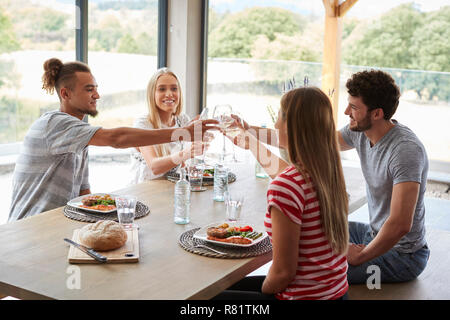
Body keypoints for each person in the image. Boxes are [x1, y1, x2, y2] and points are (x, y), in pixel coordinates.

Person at [8, 58, 217, 222]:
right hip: (31, 226)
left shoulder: (80, 136)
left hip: (59, 223)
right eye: (89, 89)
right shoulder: (55, 124)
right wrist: (181, 133)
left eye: (96, 88)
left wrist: (109, 215)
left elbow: (84, 193)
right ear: (65, 94)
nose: (97, 95)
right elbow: (117, 138)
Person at [214, 87, 349, 300]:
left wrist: (265, 293)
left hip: (301, 297)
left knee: (202, 299)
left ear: (294, 127)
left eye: (279, 117)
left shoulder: (286, 186)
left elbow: (283, 273)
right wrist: (249, 141)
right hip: (335, 294)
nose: (276, 124)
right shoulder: (328, 173)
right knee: (222, 288)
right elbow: (286, 175)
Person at [337, 69, 430, 283]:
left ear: (376, 113)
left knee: (322, 274)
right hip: (372, 234)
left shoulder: (405, 151)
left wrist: (360, 255)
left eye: (353, 107)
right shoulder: (359, 130)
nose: (345, 112)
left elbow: (400, 224)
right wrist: (253, 134)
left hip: (403, 257)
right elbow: (313, 142)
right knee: (320, 228)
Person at [129, 68, 207, 183]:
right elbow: (154, 167)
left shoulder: (182, 119)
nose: (169, 94)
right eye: (162, 89)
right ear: (152, 94)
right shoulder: (143, 124)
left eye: (174, 89)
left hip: (171, 187)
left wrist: (199, 143)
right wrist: (186, 153)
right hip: (144, 191)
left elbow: (184, 164)